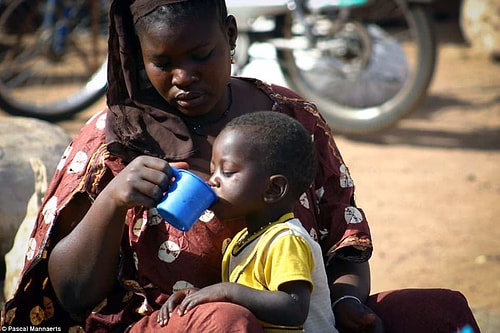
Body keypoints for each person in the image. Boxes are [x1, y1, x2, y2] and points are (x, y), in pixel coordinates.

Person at [1, 0, 480, 332]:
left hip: (295, 324)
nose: (184, 77)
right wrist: (113, 198)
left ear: (229, 35)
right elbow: (71, 297)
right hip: (172, 325)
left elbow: (345, 241)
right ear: (136, 57)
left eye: (201, 55)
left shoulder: (289, 117)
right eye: (161, 62)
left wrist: (348, 304)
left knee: (439, 312)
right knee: (229, 324)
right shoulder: (112, 142)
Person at [158, 111, 336, 332]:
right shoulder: (242, 240)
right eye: (213, 171)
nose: (212, 181)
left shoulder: (285, 239)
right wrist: (202, 296)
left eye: (228, 171)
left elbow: (294, 308)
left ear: (273, 189)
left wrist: (228, 291)